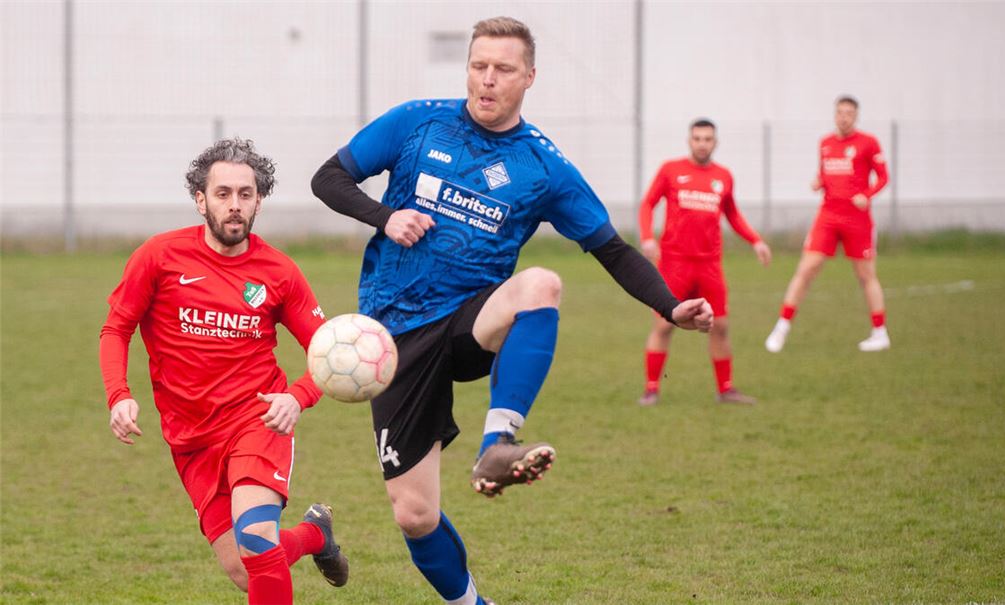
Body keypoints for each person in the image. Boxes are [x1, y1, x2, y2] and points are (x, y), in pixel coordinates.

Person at [311, 16, 712, 605]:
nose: (488, 80)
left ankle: (498, 441)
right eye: (479, 66)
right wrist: (384, 217)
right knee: (415, 514)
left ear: (529, 77)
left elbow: (612, 249)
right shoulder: (416, 120)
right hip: (393, 340)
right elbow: (329, 178)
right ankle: (473, 603)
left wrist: (671, 306)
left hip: (470, 321)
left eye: (503, 69)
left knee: (541, 284)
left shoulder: (542, 166)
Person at [99, 138, 349, 604]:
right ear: (200, 199)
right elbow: (116, 328)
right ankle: (315, 535)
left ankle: (307, 534)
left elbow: (329, 352)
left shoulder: (280, 272)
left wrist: (297, 395)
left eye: (246, 194)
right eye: (223, 194)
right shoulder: (159, 257)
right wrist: (119, 394)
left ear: (259, 201)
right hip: (190, 437)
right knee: (244, 567)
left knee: (256, 538)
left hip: (257, 419)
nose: (235, 205)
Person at [637, 118, 771, 406]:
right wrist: (648, 237)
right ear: (689, 141)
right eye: (697, 138)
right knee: (663, 326)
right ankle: (651, 390)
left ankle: (726, 389)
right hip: (674, 263)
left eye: (708, 139)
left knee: (720, 326)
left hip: (710, 265)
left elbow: (732, 214)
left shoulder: (723, 176)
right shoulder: (671, 170)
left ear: (715, 143)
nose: (702, 143)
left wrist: (756, 240)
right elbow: (648, 203)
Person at [765, 96, 890, 353]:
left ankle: (880, 333)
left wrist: (866, 196)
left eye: (849, 113)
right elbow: (825, 173)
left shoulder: (868, 143)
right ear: (835, 115)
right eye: (840, 112)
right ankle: (782, 327)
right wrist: (818, 182)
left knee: (866, 275)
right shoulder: (825, 143)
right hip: (828, 217)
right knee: (806, 268)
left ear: (856, 116)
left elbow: (883, 177)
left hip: (857, 220)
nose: (843, 117)